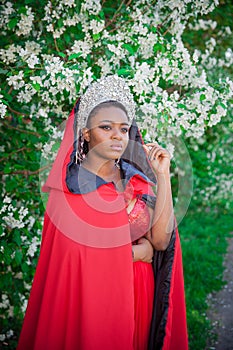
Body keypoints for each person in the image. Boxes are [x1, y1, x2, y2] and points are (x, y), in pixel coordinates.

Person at [17, 75, 188, 350]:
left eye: (123, 129)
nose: (116, 136)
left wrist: (163, 176)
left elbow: (160, 242)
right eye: (106, 127)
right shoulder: (68, 194)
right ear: (86, 133)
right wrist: (134, 254)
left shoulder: (137, 181)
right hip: (94, 301)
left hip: (140, 293)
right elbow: (73, 259)